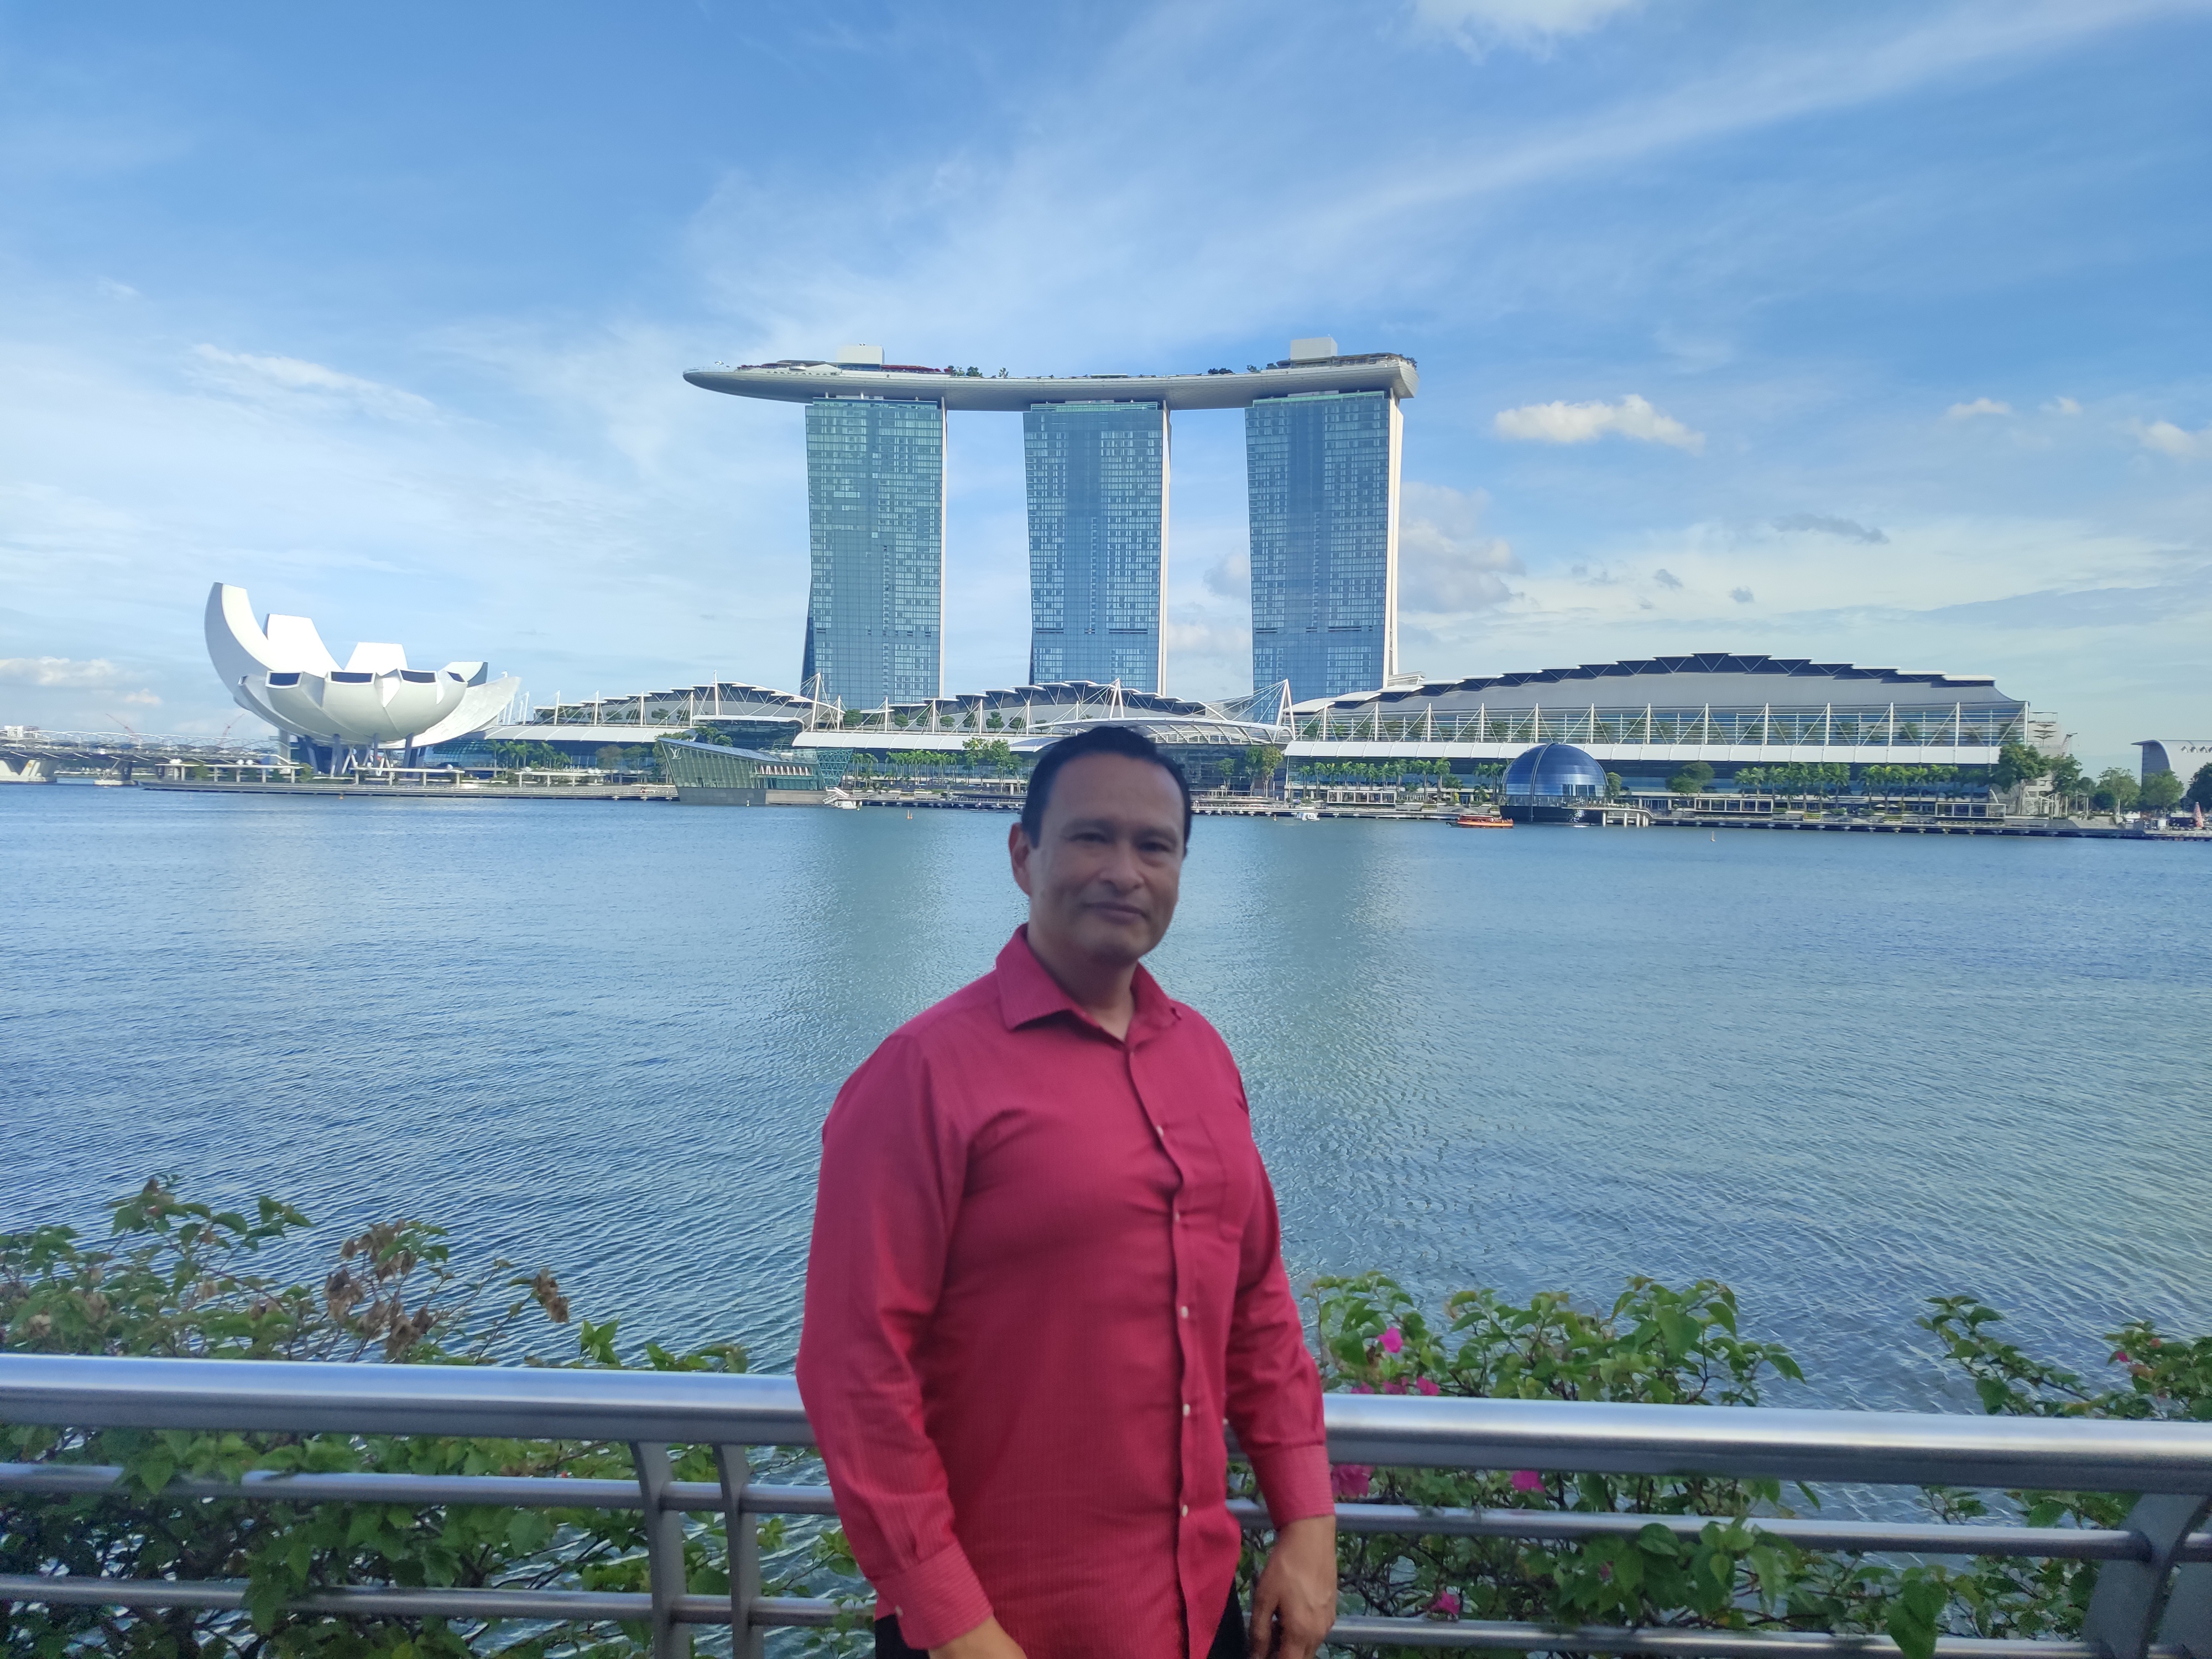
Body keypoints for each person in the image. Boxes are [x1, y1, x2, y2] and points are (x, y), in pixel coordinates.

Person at [796, 724, 1337, 1659]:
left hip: (1196, 1612)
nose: (1123, 871)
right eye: (1092, 837)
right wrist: (952, 1621)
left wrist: (1308, 1521)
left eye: (1154, 846)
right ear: (1024, 855)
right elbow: (854, 1364)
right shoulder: (923, 1073)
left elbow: (1257, 1306)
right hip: (998, 1628)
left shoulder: (1205, 1059)